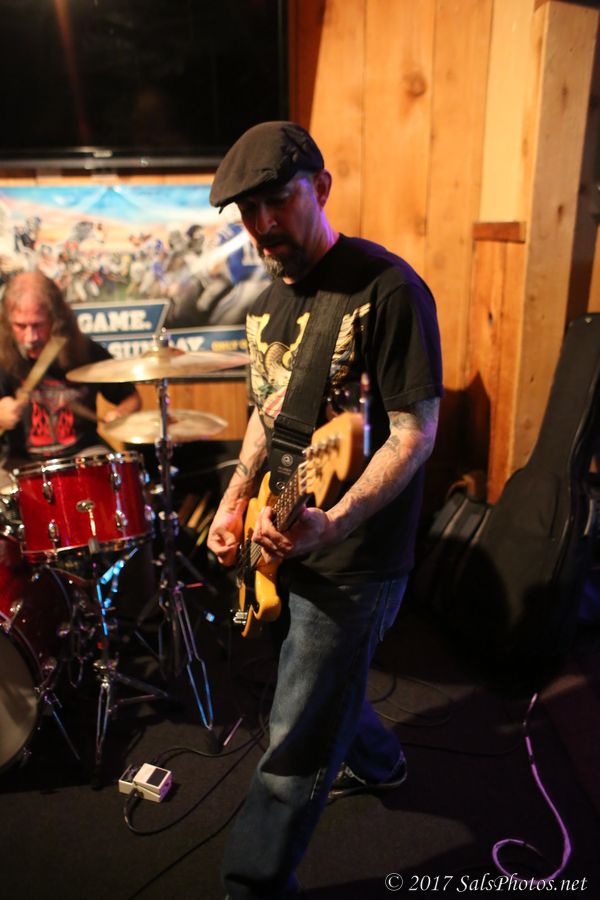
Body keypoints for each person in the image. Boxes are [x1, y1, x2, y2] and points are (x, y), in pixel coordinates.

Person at [207, 121, 443, 899]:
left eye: (277, 200)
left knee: (293, 739)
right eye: (248, 211)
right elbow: (267, 412)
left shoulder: (387, 289)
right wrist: (233, 503)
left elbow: (414, 431)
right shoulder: (267, 302)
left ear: (322, 187)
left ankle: (252, 884)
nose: (263, 223)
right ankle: (381, 760)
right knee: (314, 687)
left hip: (356, 555)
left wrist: (337, 522)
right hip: (284, 533)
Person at [0, 270, 141, 475]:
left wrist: (120, 414)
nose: (30, 337)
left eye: (38, 325)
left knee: (111, 477)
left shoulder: (85, 351)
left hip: (82, 455)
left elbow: (131, 398)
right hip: (20, 462)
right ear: (7, 322)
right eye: (20, 326)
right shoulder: (3, 356)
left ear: (56, 319)